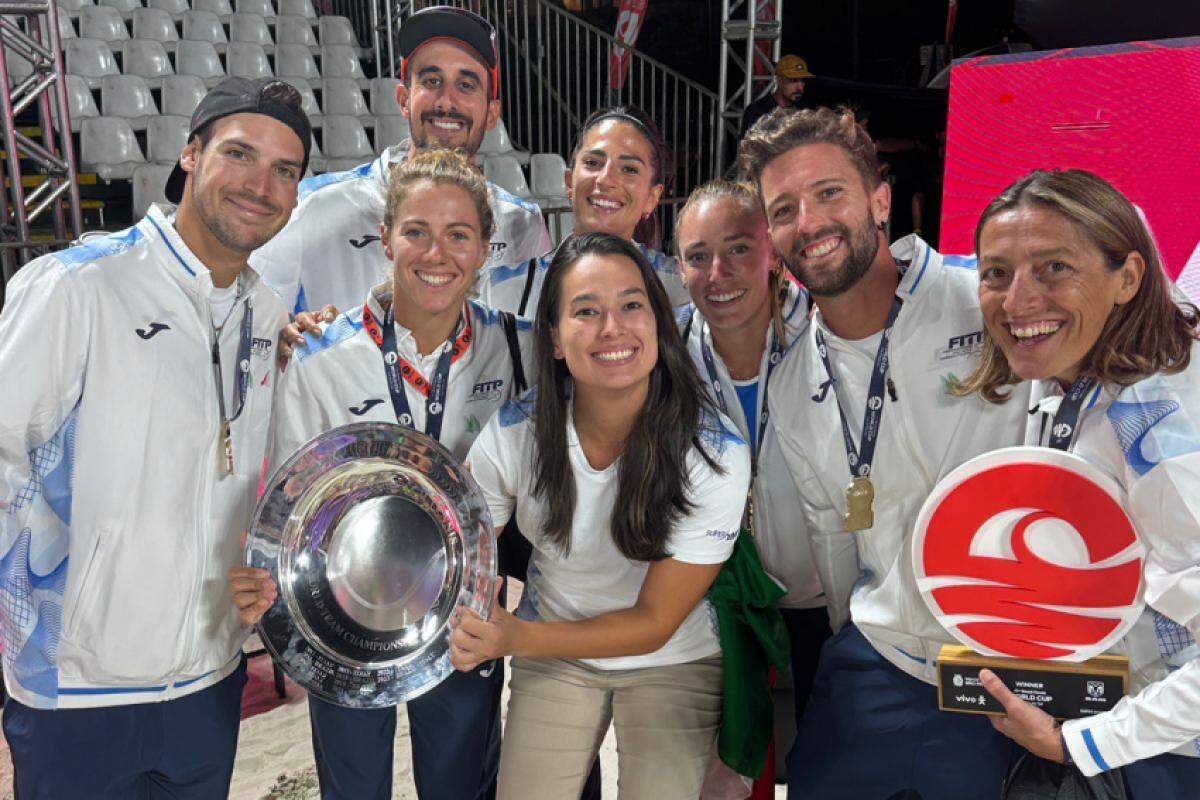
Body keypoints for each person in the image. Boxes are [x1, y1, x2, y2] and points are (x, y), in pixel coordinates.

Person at [0, 77, 308, 798]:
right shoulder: (78, 286)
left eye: (285, 170)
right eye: (240, 154)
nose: (261, 184)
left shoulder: (265, 313)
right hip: (79, 690)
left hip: (209, 677)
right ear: (190, 154)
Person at [736, 106, 1030, 799]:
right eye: (785, 209)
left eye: (829, 193)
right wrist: (859, 642)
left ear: (879, 199)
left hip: (1006, 664)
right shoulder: (792, 379)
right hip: (880, 659)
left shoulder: (988, 306)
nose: (809, 222)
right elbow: (834, 543)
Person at [232, 148, 532, 800]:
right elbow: (288, 509)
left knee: (461, 787)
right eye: (416, 232)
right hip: (342, 614)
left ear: (485, 248)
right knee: (354, 789)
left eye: (459, 235)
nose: (436, 253)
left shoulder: (517, 348)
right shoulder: (318, 357)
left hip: (464, 616)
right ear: (386, 237)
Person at [449, 232, 751, 798]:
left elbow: (654, 623)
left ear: (658, 321)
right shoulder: (516, 432)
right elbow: (464, 551)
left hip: (673, 658)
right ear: (556, 339)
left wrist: (512, 636)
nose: (612, 328)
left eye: (632, 305)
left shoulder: (712, 452)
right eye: (586, 311)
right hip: (556, 651)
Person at [956, 168, 1200, 797]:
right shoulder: (1077, 372)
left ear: (1128, 278)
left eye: (1053, 267)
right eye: (996, 273)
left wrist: (1082, 743)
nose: (1016, 302)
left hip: (1163, 755)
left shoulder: (1159, 425)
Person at [674, 179, 854, 730]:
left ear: (773, 252)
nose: (717, 273)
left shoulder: (834, 336)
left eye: (738, 249)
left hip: (826, 597)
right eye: (697, 256)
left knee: (824, 762)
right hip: (721, 597)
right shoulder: (669, 354)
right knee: (732, 769)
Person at [251, 5, 550, 317]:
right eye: (432, 81)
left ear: (491, 114)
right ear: (404, 100)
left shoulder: (521, 224)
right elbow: (258, 332)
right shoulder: (312, 205)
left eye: (466, 85)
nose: (446, 102)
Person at [475, 106, 690, 316]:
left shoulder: (682, 290)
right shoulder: (503, 291)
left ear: (652, 198)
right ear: (569, 182)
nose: (606, 180)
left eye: (629, 169)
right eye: (593, 162)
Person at [739, 55, 814, 138]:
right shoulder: (758, 110)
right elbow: (748, 147)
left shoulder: (807, 110)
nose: (800, 88)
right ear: (778, 80)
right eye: (793, 80)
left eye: (802, 81)